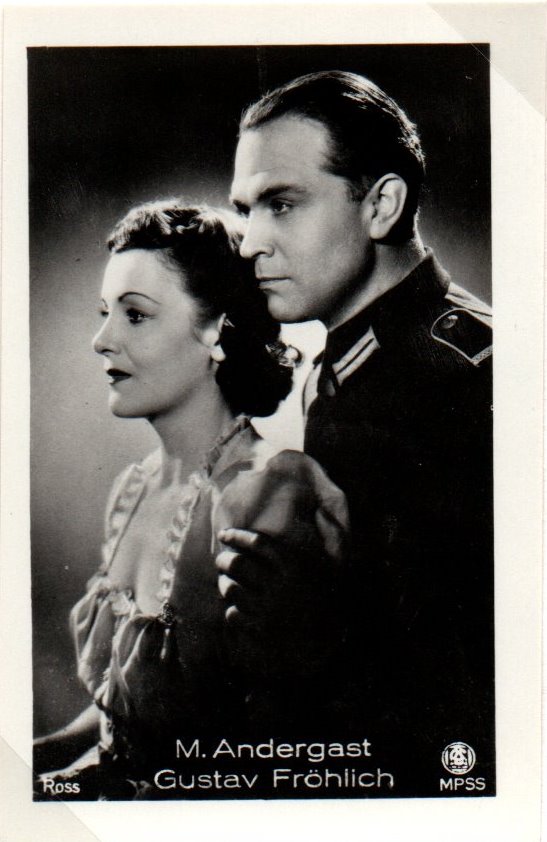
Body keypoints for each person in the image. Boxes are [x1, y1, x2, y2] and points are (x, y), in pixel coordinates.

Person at [225, 70, 494, 792]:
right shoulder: (348, 361)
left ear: (380, 205)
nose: (250, 244)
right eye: (246, 211)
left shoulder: (477, 380)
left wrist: (315, 640)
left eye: (281, 204)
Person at [33, 200, 349, 799]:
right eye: (105, 313)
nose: (101, 341)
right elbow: (125, 716)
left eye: (134, 315)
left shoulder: (264, 492)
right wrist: (35, 764)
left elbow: (279, 750)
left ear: (216, 333)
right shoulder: (133, 488)